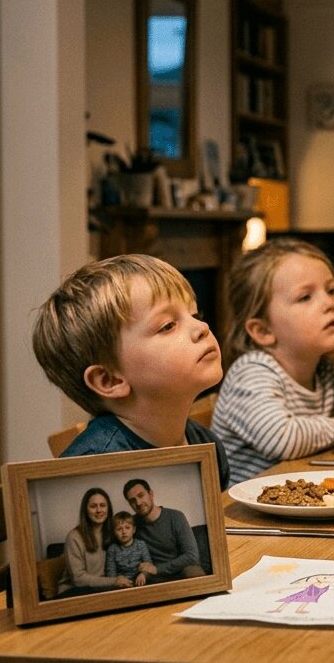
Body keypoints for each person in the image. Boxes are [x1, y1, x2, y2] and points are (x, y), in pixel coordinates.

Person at [213, 238, 334, 485]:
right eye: (305, 297)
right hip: (245, 518)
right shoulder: (251, 372)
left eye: (332, 290)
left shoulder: (327, 370)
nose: (329, 304)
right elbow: (280, 438)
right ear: (263, 331)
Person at [31, 254, 230, 488]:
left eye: (195, 315)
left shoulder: (206, 444)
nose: (202, 328)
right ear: (110, 379)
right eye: (168, 326)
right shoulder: (95, 471)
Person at [123, 478, 203, 582]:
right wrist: (143, 571)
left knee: (194, 572)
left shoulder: (175, 517)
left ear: (151, 494)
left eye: (141, 496)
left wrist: (157, 569)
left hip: (181, 571)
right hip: (153, 577)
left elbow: (192, 556)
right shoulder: (131, 525)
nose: (138, 503)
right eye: (132, 501)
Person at [55, 487, 132, 598]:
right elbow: (79, 579)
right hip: (75, 592)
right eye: (93, 506)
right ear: (85, 510)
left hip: (102, 589)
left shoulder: (114, 533)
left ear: (108, 509)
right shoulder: (74, 537)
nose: (99, 510)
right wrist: (114, 581)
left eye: (102, 505)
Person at [104, 512, 152, 588]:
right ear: (114, 532)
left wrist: (144, 574)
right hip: (121, 586)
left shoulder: (141, 545)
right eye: (119, 529)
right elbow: (111, 573)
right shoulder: (112, 549)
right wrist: (118, 581)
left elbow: (149, 565)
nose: (124, 532)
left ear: (134, 530)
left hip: (141, 583)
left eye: (127, 527)